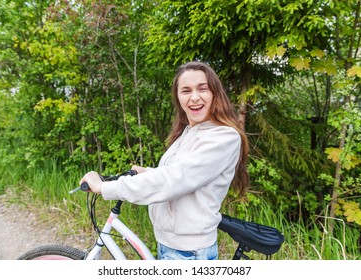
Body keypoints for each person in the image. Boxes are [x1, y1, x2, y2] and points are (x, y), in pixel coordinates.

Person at [79, 61, 249, 260]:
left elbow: (174, 179)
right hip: (170, 245)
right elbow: (184, 175)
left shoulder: (223, 137)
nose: (194, 97)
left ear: (214, 94)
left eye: (202, 88)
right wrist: (149, 172)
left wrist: (105, 188)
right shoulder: (188, 132)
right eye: (186, 91)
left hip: (189, 253)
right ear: (178, 98)